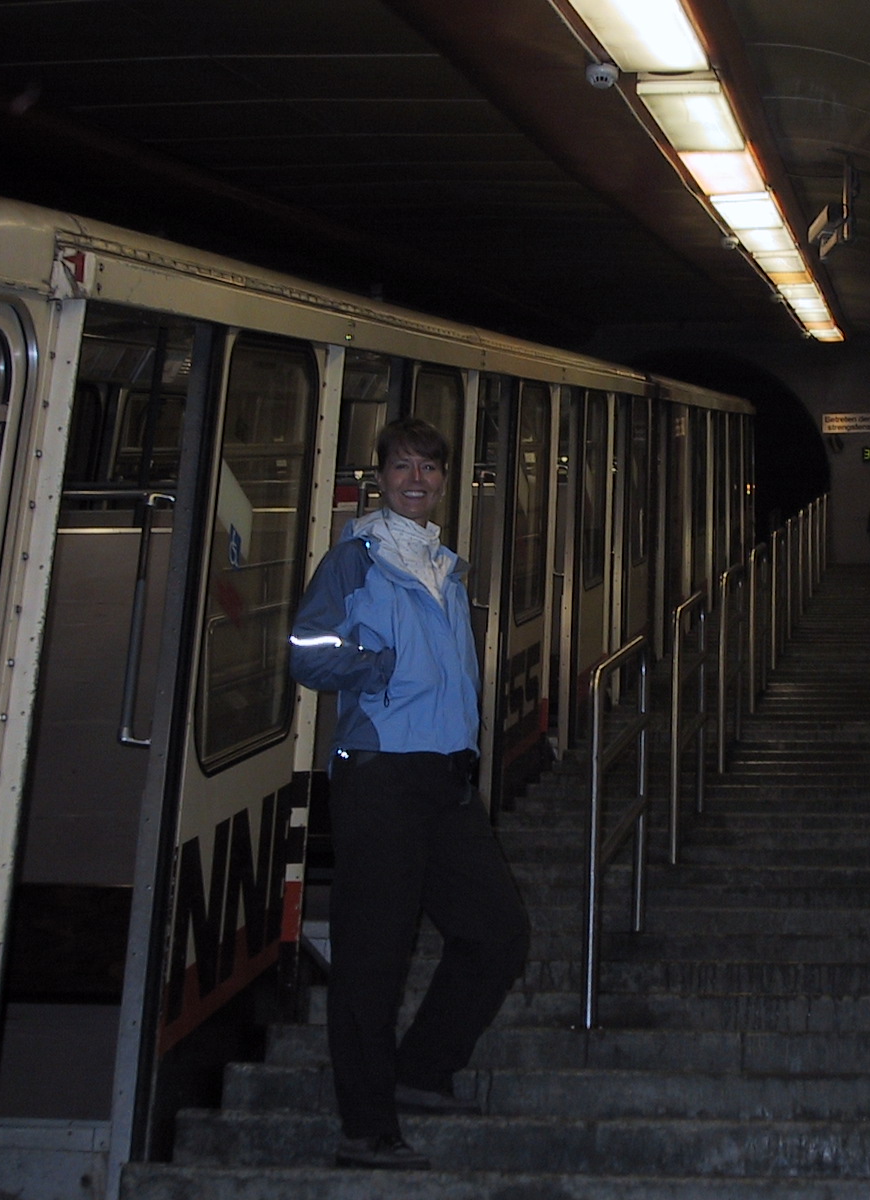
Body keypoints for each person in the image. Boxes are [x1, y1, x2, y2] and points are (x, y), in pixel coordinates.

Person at [289, 417, 530, 1170]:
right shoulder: (355, 561)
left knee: (496, 933)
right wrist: (374, 663)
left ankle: (422, 1070)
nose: (416, 480)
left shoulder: (447, 568)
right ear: (380, 477)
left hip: (445, 780)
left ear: (445, 481)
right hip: (381, 773)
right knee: (373, 956)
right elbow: (305, 647)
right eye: (402, 468)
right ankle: (366, 1127)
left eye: (429, 468)